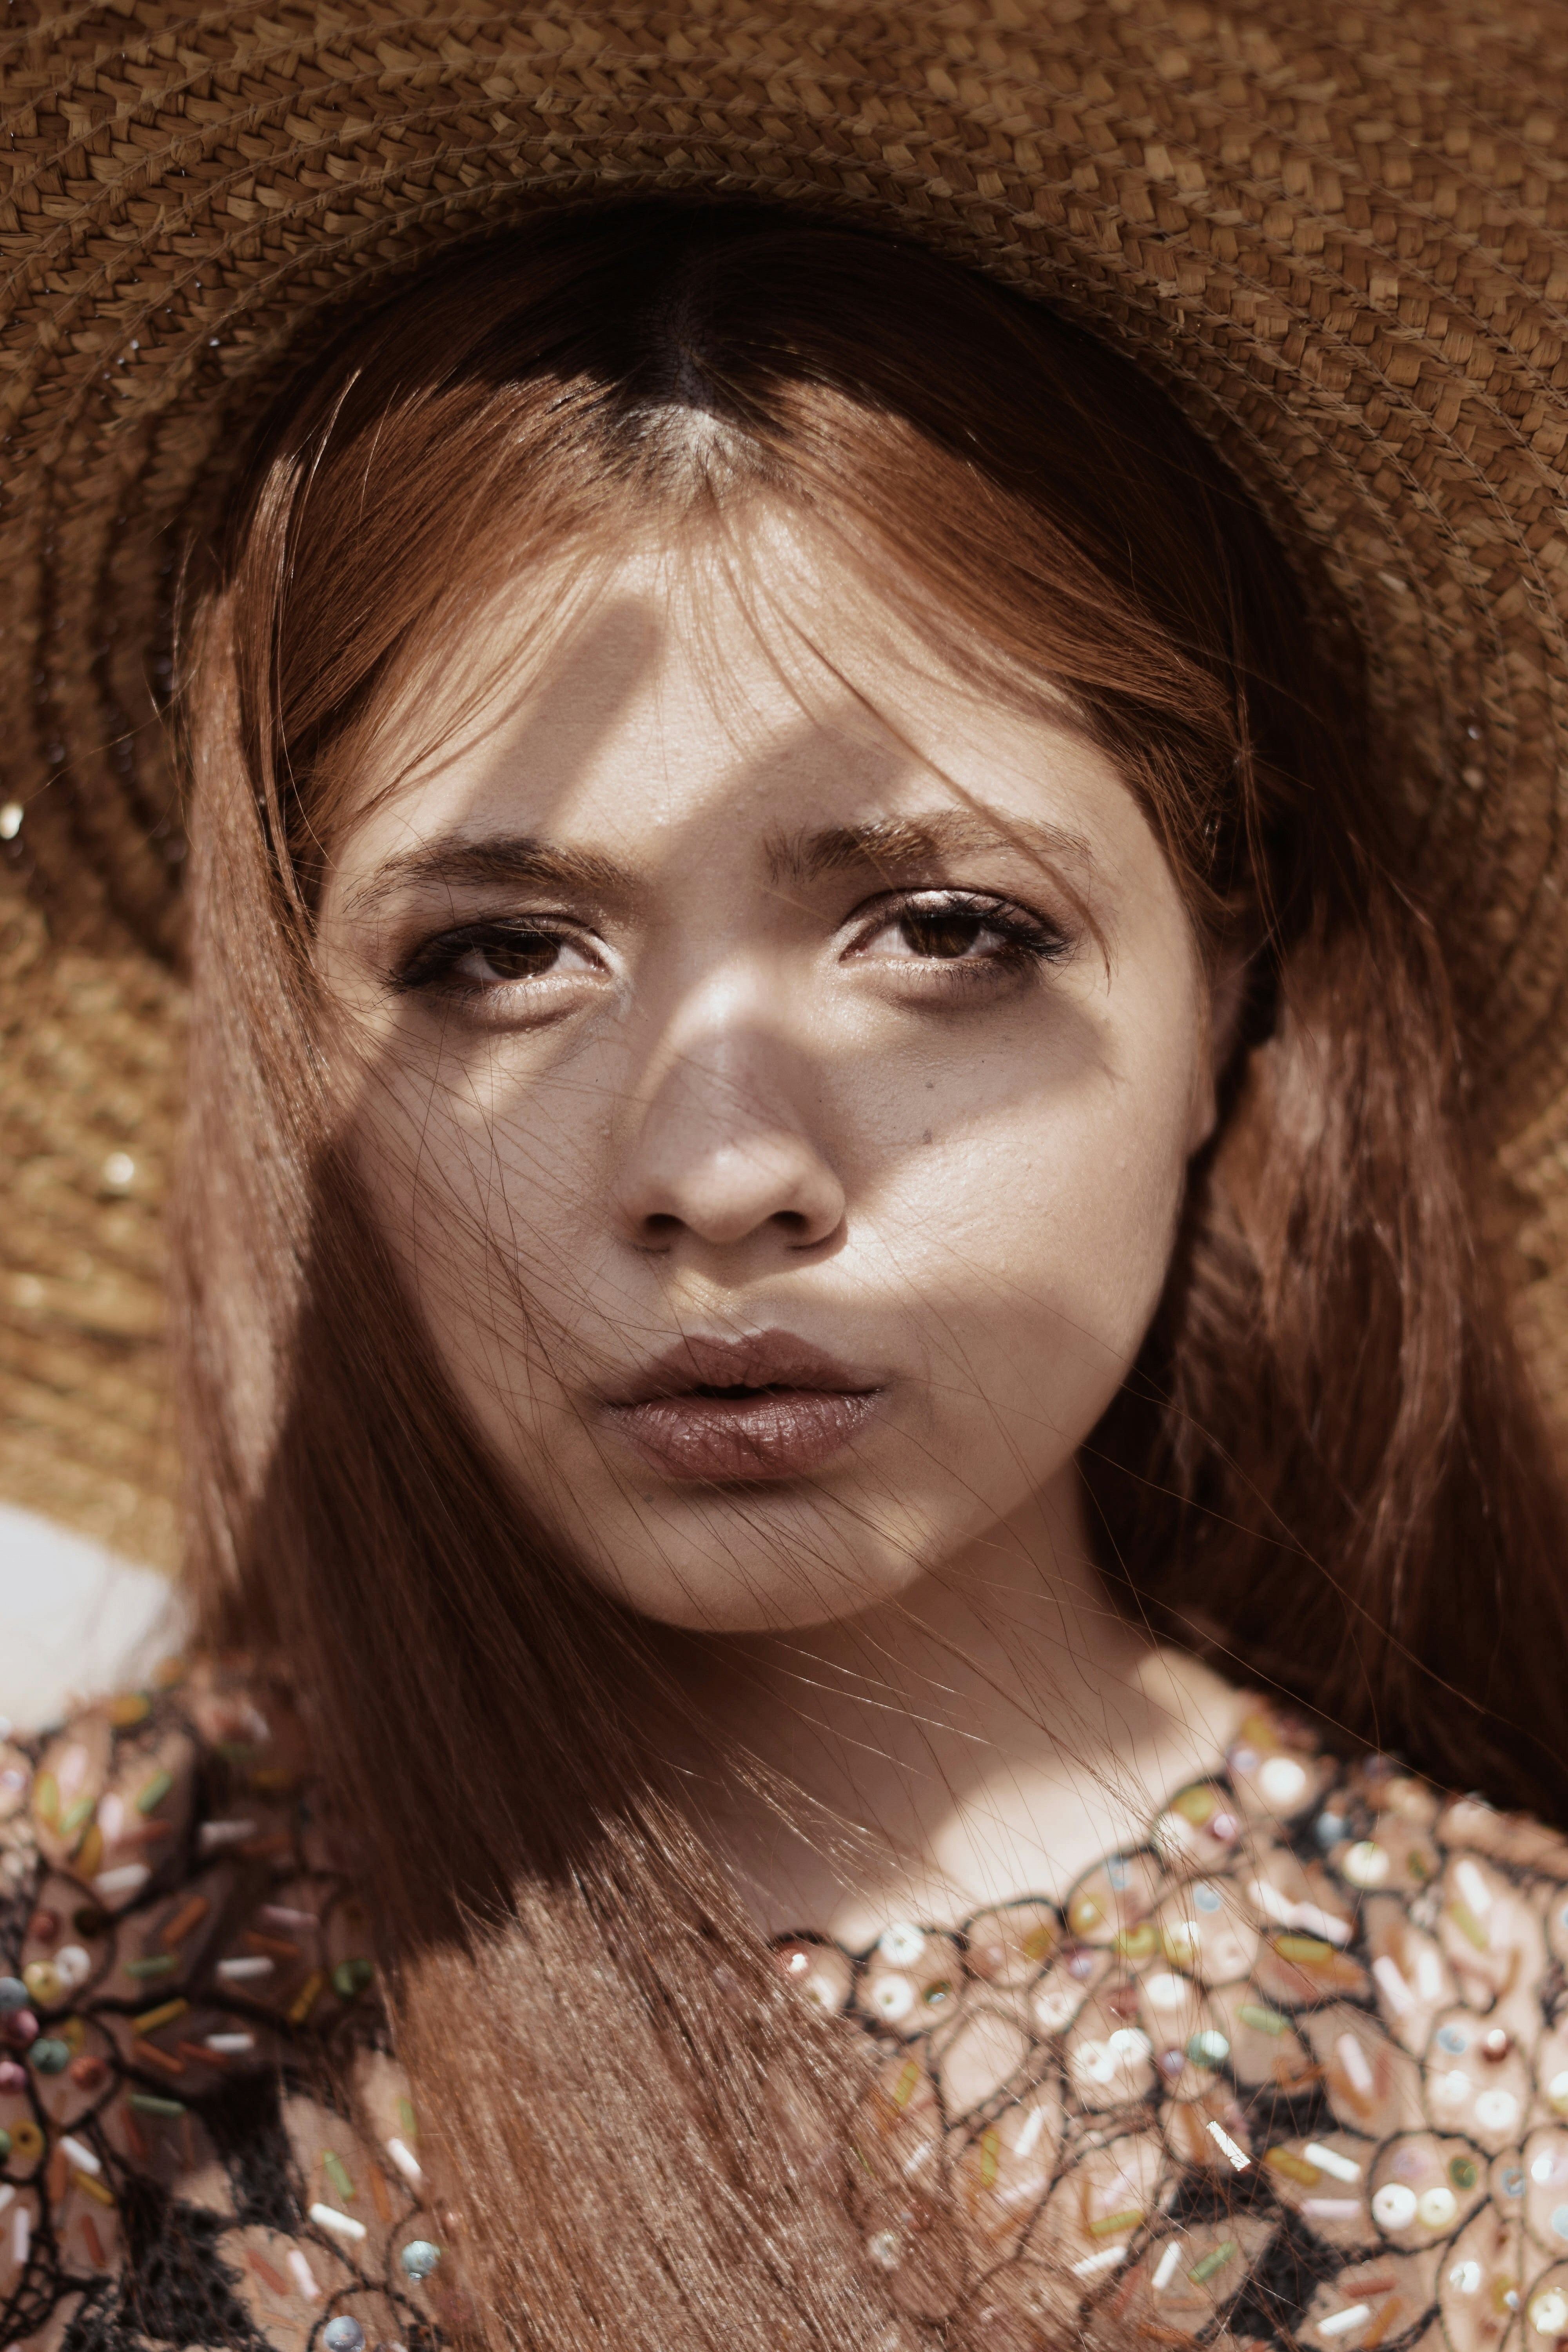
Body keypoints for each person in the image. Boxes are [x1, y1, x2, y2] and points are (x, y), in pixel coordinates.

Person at [4, 8, 1568, 2351]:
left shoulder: (1519, 2073)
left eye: (947, 930)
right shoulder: (63, 1999)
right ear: (295, 1034)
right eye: (499, 954)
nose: (721, 1169)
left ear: (1232, 980)